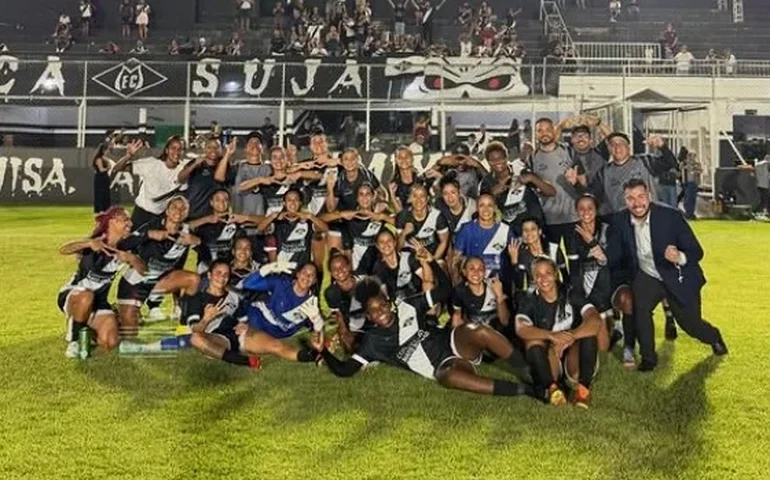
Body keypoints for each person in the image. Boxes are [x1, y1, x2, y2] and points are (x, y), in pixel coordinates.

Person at [313, 258, 535, 399]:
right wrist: (322, 351)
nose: (381, 311)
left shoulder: (408, 305)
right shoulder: (372, 342)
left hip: (453, 342)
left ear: (389, 302)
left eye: (383, 304)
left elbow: (445, 289)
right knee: (449, 378)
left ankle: (529, 372)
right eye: (374, 310)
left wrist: (432, 262)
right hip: (441, 366)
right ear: (368, 315)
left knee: (478, 330)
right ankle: (524, 391)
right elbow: (344, 370)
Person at [604, 179, 728, 371]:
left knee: (690, 324)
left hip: (676, 274)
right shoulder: (620, 220)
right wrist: (600, 254)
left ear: (649, 196)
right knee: (640, 310)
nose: (637, 203)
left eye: (641, 196)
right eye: (630, 198)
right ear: (625, 201)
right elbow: (615, 254)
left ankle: (714, 337)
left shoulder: (670, 216)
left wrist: (679, 256)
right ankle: (648, 358)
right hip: (648, 275)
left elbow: (697, 251)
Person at [515, 257, 603, 407]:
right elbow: (521, 328)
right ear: (533, 278)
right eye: (538, 275)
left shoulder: (570, 293)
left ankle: (583, 390)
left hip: (575, 358)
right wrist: (552, 336)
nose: (543, 279)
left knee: (589, 334)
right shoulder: (529, 301)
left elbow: (595, 321)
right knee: (532, 340)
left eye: (547, 273)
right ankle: (553, 389)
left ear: (555, 274)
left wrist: (570, 337)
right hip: (550, 357)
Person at [58, 207, 145, 357]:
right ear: (112, 222)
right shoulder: (96, 242)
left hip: (99, 302)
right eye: (125, 220)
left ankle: (83, 324)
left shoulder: (126, 248)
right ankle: (74, 340)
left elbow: (144, 271)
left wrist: (132, 259)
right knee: (86, 296)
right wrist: (87, 243)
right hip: (74, 295)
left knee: (110, 342)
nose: (130, 224)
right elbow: (63, 249)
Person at [116, 196, 202, 335]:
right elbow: (123, 244)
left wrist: (198, 241)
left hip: (161, 282)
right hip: (137, 281)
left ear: (187, 213)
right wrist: (148, 234)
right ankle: (117, 315)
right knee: (129, 335)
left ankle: (184, 326)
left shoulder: (186, 232)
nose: (179, 211)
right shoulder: (152, 225)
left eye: (183, 208)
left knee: (194, 279)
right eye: (174, 207)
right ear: (167, 211)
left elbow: (180, 264)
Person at [565, 194, 631, 364]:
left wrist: (593, 242)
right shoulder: (572, 234)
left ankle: (619, 325)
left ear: (596, 210)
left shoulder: (608, 229)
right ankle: (609, 325)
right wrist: (579, 297)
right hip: (588, 283)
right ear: (576, 211)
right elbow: (574, 269)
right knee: (602, 346)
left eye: (590, 208)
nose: (586, 212)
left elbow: (613, 261)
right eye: (581, 208)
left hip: (610, 279)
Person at [111, 136, 185, 229]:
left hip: (161, 217)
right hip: (141, 214)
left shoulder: (184, 169)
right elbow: (116, 169)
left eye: (180, 149)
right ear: (166, 150)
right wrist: (128, 156)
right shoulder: (151, 164)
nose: (176, 152)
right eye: (173, 148)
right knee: (133, 242)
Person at [479, 141, 551, 236]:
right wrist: (492, 194)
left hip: (534, 228)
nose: (497, 162)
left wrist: (532, 178)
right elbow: (483, 209)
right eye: (492, 160)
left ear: (506, 157)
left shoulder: (521, 171)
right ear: (488, 161)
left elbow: (550, 192)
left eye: (501, 158)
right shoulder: (487, 181)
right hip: (510, 232)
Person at [240, 261, 325, 341]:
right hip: (260, 320)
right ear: (298, 274)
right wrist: (269, 268)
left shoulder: (311, 302)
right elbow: (248, 284)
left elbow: (317, 332)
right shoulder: (281, 283)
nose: (307, 276)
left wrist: (317, 318)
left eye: (312, 275)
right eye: (304, 272)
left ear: (314, 281)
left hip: (281, 333)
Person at [321, 183, 395, 274]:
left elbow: (401, 223)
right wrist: (340, 214)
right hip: (355, 269)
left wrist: (383, 217)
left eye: (368, 194)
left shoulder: (380, 213)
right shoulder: (350, 214)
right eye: (361, 194)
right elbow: (321, 219)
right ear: (356, 198)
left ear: (373, 197)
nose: (364, 197)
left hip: (376, 267)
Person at [530, 118, 582, 245]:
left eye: (548, 129)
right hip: (549, 219)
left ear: (554, 131)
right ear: (536, 134)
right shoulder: (532, 158)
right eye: (540, 131)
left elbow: (584, 182)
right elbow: (532, 187)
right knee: (553, 260)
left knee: (575, 258)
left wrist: (576, 183)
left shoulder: (569, 151)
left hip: (573, 217)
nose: (544, 133)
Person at [189, 188, 265, 273]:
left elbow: (266, 221)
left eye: (225, 199)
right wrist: (207, 219)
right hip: (207, 266)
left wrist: (245, 217)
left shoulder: (235, 220)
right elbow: (181, 227)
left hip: (231, 267)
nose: (221, 202)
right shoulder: (202, 223)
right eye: (217, 199)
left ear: (229, 203)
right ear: (211, 202)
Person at [258, 189, 329, 267]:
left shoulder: (307, 222)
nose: (292, 202)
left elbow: (325, 229)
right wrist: (272, 216)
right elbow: (260, 229)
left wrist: (311, 216)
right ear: (284, 203)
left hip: (302, 271)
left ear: (300, 203)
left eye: (296, 199)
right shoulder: (278, 222)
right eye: (289, 200)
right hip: (283, 269)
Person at [453, 193, 515, 281]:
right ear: (477, 208)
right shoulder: (466, 229)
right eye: (482, 205)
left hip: (499, 282)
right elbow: (456, 260)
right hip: (474, 281)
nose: (486, 209)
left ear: (495, 208)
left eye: (489, 205)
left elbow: (514, 260)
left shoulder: (506, 230)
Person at [324, 251, 370, 352]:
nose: (339, 271)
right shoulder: (331, 292)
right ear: (331, 273)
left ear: (349, 266)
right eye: (334, 269)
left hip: (371, 317)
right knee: (351, 346)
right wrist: (344, 332)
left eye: (342, 266)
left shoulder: (363, 278)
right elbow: (338, 314)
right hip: (352, 322)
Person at [509, 217, 568, 295]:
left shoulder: (554, 249)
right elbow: (519, 284)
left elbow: (565, 276)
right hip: (534, 294)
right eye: (525, 230)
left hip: (554, 291)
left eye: (533, 229)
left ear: (539, 231)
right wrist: (514, 261)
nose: (529, 233)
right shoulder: (522, 253)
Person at [451, 257, 510, 331]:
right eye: (472, 269)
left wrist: (499, 296)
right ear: (464, 272)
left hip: (496, 332)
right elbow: (457, 316)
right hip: (474, 332)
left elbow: (505, 321)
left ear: (485, 273)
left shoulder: (495, 285)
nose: (476, 272)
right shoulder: (459, 291)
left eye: (480, 269)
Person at [396, 183, 450, 259]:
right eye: (415, 196)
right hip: (408, 256)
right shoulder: (402, 216)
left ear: (427, 198)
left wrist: (434, 260)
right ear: (410, 199)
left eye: (422, 196)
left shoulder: (437, 216)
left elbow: (444, 242)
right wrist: (403, 234)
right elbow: (398, 248)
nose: (418, 200)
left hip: (430, 253)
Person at [373, 229, 427, 301]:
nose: (386, 244)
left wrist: (424, 259)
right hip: (397, 302)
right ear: (377, 246)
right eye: (382, 242)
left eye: (389, 240)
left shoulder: (407, 257)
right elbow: (385, 294)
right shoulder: (378, 267)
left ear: (395, 242)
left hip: (416, 296)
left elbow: (425, 278)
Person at [389, 147, 423, 214]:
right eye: (400, 157)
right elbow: (400, 214)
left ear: (412, 159)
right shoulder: (394, 185)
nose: (403, 159)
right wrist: (392, 195)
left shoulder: (421, 179)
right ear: (396, 160)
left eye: (407, 157)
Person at [680, 151, 703, 220]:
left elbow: (700, 171)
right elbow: (681, 169)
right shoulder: (684, 163)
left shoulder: (696, 164)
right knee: (687, 198)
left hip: (694, 182)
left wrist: (696, 171)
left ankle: (690, 213)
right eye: (690, 155)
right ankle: (688, 213)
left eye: (693, 156)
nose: (692, 157)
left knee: (692, 199)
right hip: (686, 182)